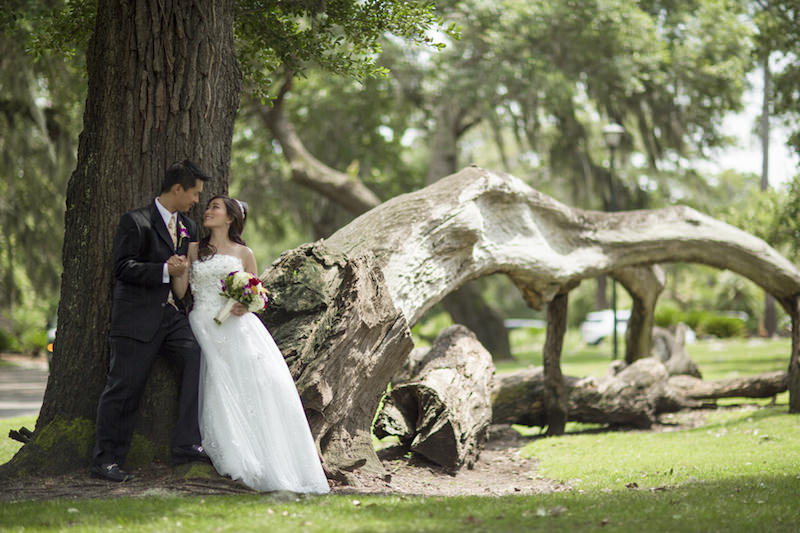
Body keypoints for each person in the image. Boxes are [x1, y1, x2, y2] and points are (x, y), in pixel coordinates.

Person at [172, 195, 329, 493]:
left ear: (230, 218)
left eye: (215, 208)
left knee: (255, 385)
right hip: (204, 321)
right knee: (217, 380)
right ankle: (231, 451)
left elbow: (257, 293)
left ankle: (268, 455)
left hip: (238, 327)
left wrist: (248, 304)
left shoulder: (244, 252)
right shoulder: (193, 249)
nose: (207, 211)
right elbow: (181, 293)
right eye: (208, 207)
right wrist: (178, 271)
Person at [92, 160, 212, 482]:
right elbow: (122, 267)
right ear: (177, 189)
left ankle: (186, 444)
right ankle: (106, 461)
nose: (197, 201)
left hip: (173, 319)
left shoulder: (189, 227)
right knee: (124, 388)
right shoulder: (136, 221)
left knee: (196, 359)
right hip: (136, 319)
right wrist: (163, 270)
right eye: (195, 193)